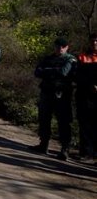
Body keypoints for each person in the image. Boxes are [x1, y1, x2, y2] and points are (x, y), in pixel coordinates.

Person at [29, 38, 76, 160]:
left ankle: (64, 149)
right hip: (46, 92)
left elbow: (63, 72)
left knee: (63, 122)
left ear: (67, 47)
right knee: (44, 118)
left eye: (63, 46)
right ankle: (43, 144)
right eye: (58, 46)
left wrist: (48, 71)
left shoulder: (70, 59)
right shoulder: (48, 58)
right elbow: (37, 72)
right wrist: (52, 71)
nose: (60, 48)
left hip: (62, 95)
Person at [73, 33, 97, 164]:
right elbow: (77, 75)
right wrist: (89, 85)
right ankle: (86, 152)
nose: (94, 43)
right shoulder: (82, 56)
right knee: (85, 124)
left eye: (96, 41)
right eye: (92, 41)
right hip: (84, 95)